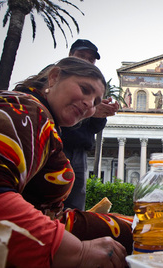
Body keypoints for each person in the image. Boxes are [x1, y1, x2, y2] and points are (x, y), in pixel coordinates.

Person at [0, 57, 132, 268]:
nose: (89, 104)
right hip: (26, 241)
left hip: (49, 223)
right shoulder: (24, 110)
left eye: (95, 102)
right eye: (84, 89)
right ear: (54, 77)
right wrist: (79, 253)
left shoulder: (44, 119)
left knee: (144, 229)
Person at [62, 39, 119, 210]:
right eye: (81, 56)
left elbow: (94, 128)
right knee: (51, 195)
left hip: (79, 151)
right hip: (58, 144)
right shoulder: (58, 75)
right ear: (71, 55)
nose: (86, 61)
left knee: (75, 202)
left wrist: (98, 114)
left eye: (91, 60)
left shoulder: (94, 87)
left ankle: (72, 231)